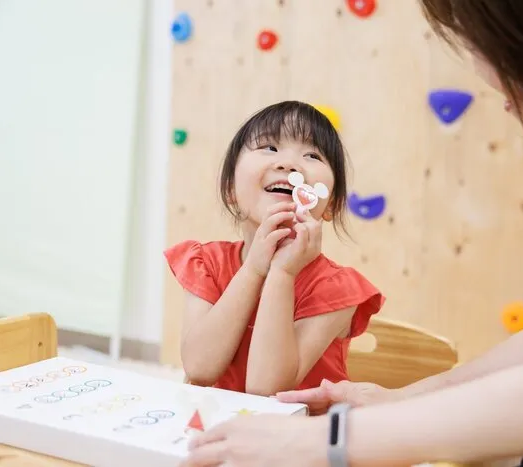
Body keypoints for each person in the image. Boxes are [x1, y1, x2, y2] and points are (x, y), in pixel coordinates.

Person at [181, 1, 523, 466]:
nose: (478, 67)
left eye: (481, 44)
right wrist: (398, 400)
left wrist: (326, 442)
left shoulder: (333, 288)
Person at [164, 101, 384, 396]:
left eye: (311, 154)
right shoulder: (206, 263)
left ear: (330, 203)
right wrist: (254, 268)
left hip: (299, 433)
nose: (289, 164)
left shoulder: (337, 289)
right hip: (222, 430)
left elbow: (267, 390)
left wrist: (281, 272)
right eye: (269, 147)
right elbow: (200, 369)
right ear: (231, 189)